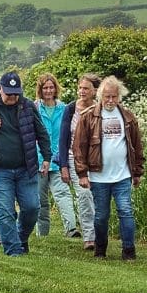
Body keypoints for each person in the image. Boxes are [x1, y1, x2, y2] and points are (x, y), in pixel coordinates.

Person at [0, 70, 53, 257]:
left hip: (27, 169)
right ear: (0, 89)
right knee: (5, 211)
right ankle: (13, 250)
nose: (13, 97)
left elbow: (41, 133)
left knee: (32, 208)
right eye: (9, 93)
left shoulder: (28, 106)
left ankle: (20, 238)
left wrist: (47, 157)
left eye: (16, 93)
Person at [72, 75, 145, 260]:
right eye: (107, 97)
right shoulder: (89, 116)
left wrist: (137, 171)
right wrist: (82, 173)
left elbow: (136, 145)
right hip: (99, 176)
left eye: (114, 96)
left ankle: (129, 251)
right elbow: (79, 146)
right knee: (101, 216)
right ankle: (100, 249)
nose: (110, 100)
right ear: (100, 96)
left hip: (123, 175)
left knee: (126, 211)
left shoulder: (128, 116)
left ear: (119, 96)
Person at [32, 73, 78, 239]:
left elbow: (66, 135)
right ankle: (42, 233)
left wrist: (62, 156)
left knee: (63, 195)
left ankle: (71, 229)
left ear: (56, 88)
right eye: (45, 88)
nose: (48, 90)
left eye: (51, 87)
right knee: (40, 199)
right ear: (40, 90)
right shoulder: (35, 108)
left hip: (58, 160)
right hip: (39, 160)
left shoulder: (64, 109)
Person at [58, 73, 101, 249]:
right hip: (74, 158)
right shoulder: (70, 109)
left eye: (86, 88)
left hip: (97, 160)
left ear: (95, 91)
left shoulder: (101, 109)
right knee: (84, 194)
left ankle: (100, 232)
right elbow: (63, 138)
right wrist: (63, 166)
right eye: (80, 88)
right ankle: (89, 237)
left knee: (97, 197)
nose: (82, 91)